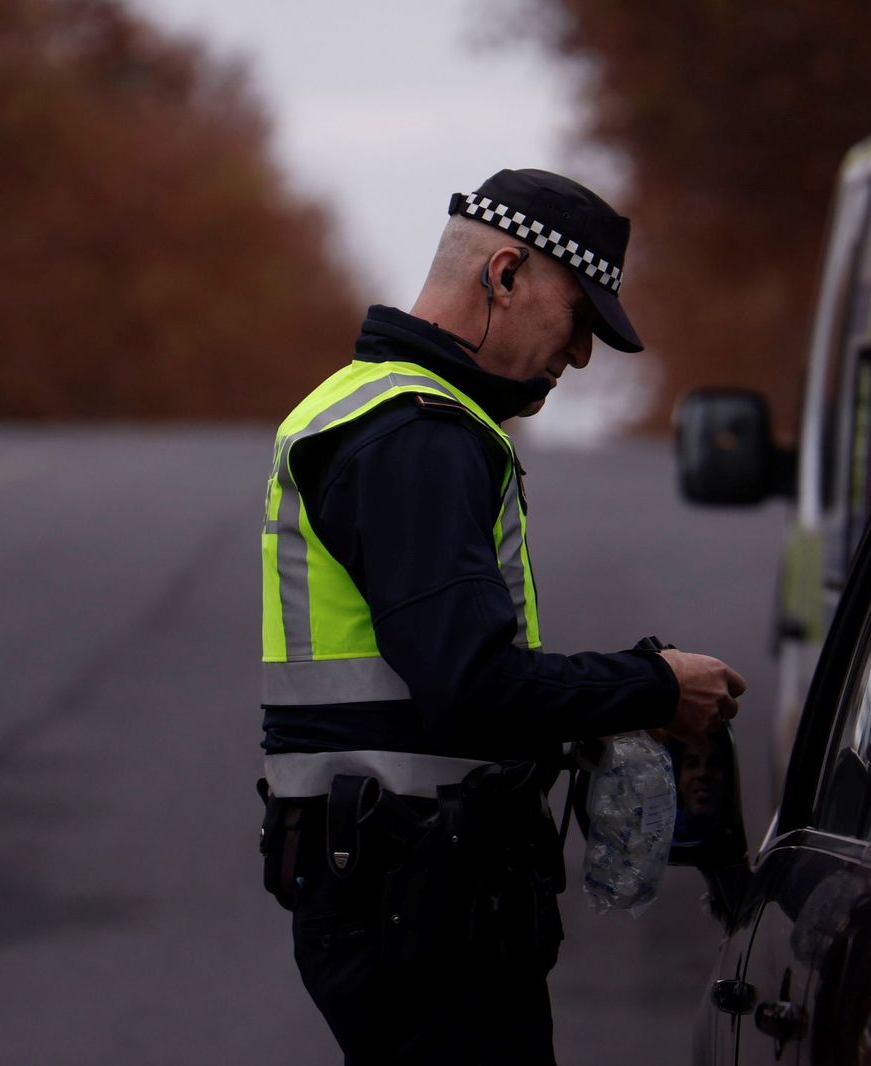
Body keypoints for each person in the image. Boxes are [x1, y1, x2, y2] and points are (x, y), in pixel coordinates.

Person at [256, 168, 747, 1066]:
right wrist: (652, 685)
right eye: (580, 319)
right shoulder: (417, 435)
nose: (584, 356)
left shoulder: (393, 413)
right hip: (417, 902)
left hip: (403, 887)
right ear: (506, 274)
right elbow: (470, 683)